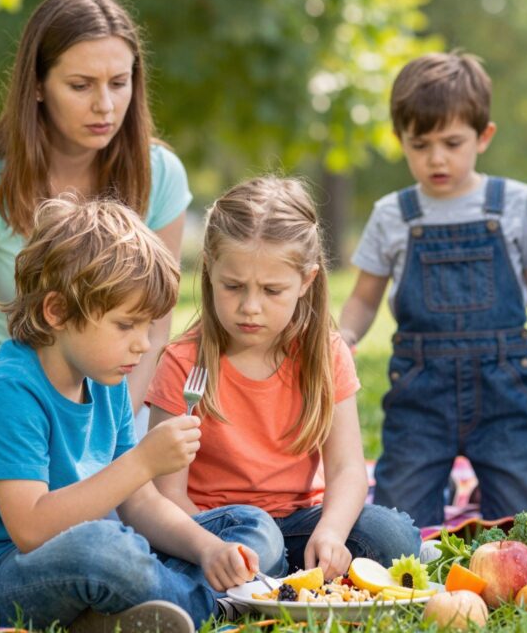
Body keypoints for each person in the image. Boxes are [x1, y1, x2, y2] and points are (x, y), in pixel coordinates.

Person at [0, 197, 262, 632]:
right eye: (125, 325)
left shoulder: (105, 377)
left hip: (73, 557)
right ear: (57, 311)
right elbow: (31, 529)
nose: (143, 344)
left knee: (248, 526)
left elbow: (140, 503)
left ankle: (125, 608)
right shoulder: (3, 390)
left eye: (148, 326)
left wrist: (209, 549)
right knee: (102, 550)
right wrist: (143, 462)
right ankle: (218, 608)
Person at [0, 0, 191, 448]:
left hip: (109, 408)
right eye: (80, 86)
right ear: (36, 85)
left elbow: (153, 332)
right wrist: (41, 435)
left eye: (119, 83)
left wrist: (110, 436)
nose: (105, 105)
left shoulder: (161, 173)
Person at [146, 176, 421, 579]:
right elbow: (167, 495)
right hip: (218, 528)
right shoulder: (183, 362)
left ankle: (276, 575)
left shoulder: (326, 354)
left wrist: (331, 532)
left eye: (272, 291)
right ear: (209, 269)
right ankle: (248, 577)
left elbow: (347, 468)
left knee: (393, 535)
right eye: (233, 286)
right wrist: (215, 549)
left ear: (306, 281)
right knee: (261, 540)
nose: (250, 307)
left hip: (301, 522)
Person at [338, 52, 527, 529]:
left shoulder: (514, 203)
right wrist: (345, 335)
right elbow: (363, 296)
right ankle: (432, 481)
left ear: (484, 136)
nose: (436, 158)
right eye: (420, 144)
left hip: (504, 389)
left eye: (452, 143)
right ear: (400, 140)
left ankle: (507, 481)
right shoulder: (393, 214)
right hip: (421, 395)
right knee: (399, 524)